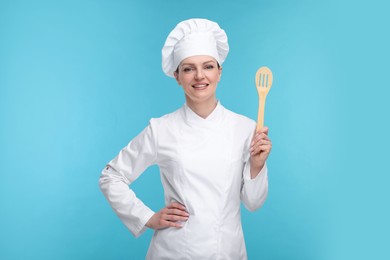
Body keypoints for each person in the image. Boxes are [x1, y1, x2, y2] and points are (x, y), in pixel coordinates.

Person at [99, 18, 272, 259]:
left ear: (220, 72)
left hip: (228, 252)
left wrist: (257, 165)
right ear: (177, 76)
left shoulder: (245, 128)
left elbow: (253, 203)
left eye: (208, 66)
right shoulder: (161, 129)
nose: (199, 76)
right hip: (174, 252)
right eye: (189, 68)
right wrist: (147, 217)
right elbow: (111, 176)